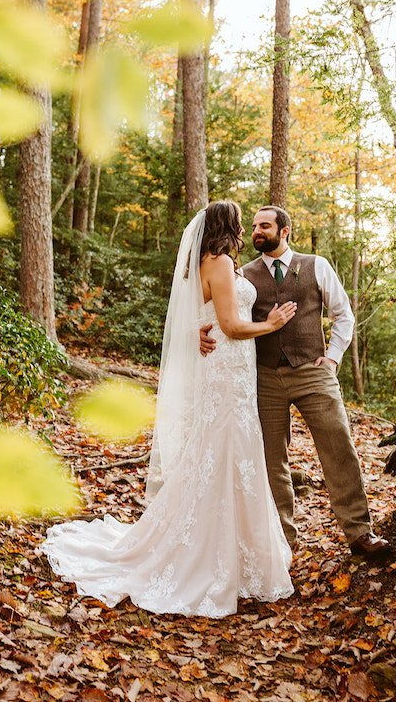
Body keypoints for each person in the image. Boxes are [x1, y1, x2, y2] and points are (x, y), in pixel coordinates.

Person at [42, 201, 299, 616]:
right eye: (239, 220)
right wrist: (270, 325)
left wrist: (205, 328)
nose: (244, 226)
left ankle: (238, 550)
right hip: (227, 371)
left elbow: (205, 316)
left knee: (227, 454)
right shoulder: (219, 261)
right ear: (226, 226)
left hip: (231, 369)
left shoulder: (211, 263)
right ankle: (211, 554)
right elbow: (231, 327)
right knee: (225, 450)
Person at [201, 205, 392, 560]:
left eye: (265, 225)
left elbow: (343, 315)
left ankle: (359, 532)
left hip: (312, 371)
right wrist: (200, 331)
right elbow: (218, 310)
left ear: (285, 230)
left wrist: (332, 358)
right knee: (271, 459)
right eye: (254, 225)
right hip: (263, 376)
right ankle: (282, 542)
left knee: (339, 445)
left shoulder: (316, 265)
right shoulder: (241, 273)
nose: (257, 231)